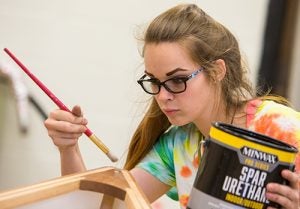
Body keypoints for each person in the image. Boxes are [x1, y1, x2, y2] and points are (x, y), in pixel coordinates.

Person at [44, 3, 300, 209]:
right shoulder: (177, 146)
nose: (162, 96)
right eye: (154, 81)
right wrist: (68, 148)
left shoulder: (280, 128)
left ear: (217, 71)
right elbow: (99, 207)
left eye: (177, 80)